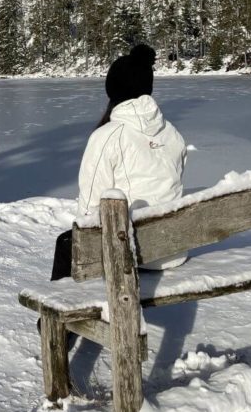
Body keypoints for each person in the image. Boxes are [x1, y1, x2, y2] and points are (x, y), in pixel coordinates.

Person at [51, 43, 188, 280]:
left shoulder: (107, 136)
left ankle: (60, 315)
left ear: (113, 90)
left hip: (132, 252)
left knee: (66, 243)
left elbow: (90, 208)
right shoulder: (172, 133)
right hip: (174, 248)